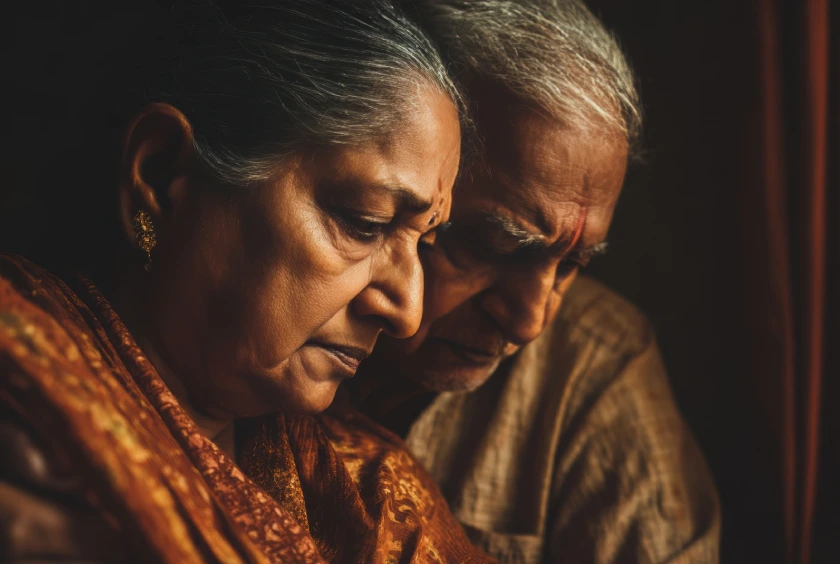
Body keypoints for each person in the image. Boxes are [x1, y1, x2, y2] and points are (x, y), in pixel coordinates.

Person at [0, 1, 491, 562]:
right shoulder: (27, 409)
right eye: (366, 223)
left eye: (425, 242)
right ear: (161, 178)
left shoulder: (372, 493)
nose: (407, 310)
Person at [350, 1, 721, 562]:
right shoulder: (260, 328)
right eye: (489, 246)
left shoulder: (600, 370)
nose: (529, 322)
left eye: (570, 266)